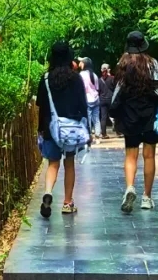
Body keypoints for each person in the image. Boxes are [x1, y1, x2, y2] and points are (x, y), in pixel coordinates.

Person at [36, 41, 89, 218]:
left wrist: (41, 128)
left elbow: (41, 106)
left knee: (52, 163)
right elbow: (83, 104)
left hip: (51, 127)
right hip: (71, 129)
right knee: (69, 163)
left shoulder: (45, 79)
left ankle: (49, 192)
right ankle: (67, 202)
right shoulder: (75, 78)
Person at [112, 31, 158, 214]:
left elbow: (117, 91)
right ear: (143, 44)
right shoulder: (152, 63)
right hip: (148, 114)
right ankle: (147, 198)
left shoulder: (123, 64)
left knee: (130, 155)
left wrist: (114, 112)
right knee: (149, 156)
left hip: (129, 115)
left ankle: (130, 187)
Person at [80, 57, 101, 139]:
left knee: (88, 117)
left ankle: (88, 135)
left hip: (87, 99)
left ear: (84, 64)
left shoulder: (82, 75)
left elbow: (82, 89)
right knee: (96, 118)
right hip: (96, 98)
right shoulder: (94, 75)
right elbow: (97, 88)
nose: (80, 63)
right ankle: (98, 135)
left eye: (81, 62)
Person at [97, 63, 114, 138]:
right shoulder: (112, 78)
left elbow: (98, 90)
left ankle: (104, 133)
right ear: (108, 70)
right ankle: (119, 132)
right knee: (114, 115)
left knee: (103, 117)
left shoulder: (99, 80)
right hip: (110, 99)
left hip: (102, 100)